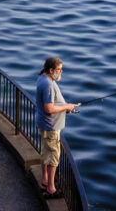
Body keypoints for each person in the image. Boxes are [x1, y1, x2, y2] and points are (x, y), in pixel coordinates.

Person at [35, 57, 80, 199]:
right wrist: (67, 106)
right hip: (51, 127)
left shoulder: (42, 79)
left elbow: (51, 105)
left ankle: (45, 181)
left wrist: (64, 108)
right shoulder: (48, 84)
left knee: (45, 153)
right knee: (53, 157)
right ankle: (51, 189)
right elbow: (48, 108)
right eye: (59, 70)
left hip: (45, 124)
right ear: (51, 70)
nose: (61, 72)